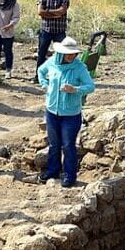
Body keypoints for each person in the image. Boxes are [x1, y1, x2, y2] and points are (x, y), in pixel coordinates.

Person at [37, 36, 94, 188]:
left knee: (68, 145)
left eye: (73, 53)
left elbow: (90, 86)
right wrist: (45, 84)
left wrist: (75, 90)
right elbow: (40, 71)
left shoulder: (79, 67)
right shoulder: (52, 62)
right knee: (54, 144)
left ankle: (69, 176)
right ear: (61, 52)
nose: (71, 56)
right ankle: (53, 171)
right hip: (52, 112)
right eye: (68, 53)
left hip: (71, 114)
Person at [36, 0, 70, 68]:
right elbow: (40, 12)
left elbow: (62, 11)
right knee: (41, 54)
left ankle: (61, 75)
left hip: (59, 30)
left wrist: (47, 12)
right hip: (46, 30)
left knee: (62, 53)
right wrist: (55, 14)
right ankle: (38, 76)